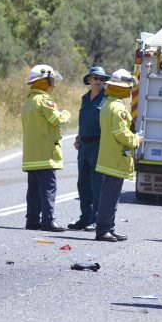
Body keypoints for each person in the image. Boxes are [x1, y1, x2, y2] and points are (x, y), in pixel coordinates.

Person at [93, 69, 142, 242]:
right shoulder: (118, 107)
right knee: (109, 197)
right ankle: (103, 230)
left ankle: (109, 228)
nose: (130, 91)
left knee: (110, 196)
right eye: (128, 88)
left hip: (108, 157)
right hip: (115, 158)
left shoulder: (107, 104)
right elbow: (120, 132)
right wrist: (136, 139)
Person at [22, 64, 71, 232]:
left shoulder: (28, 101)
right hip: (46, 154)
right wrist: (66, 114)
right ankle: (48, 221)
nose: (54, 84)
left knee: (33, 190)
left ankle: (32, 220)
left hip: (31, 156)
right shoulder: (44, 100)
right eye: (51, 81)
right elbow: (56, 119)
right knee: (48, 189)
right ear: (44, 81)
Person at [68, 66, 109, 230]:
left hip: (98, 144)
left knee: (96, 183)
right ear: (89, 80)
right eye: (96, 78)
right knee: (82, 183)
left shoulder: (107, 99)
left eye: (101, 79)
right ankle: (85, 217)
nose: (99, 81)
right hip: (84, 145)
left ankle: (95, 219)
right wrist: (78, 136)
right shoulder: (85, 98)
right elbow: (83, 119)